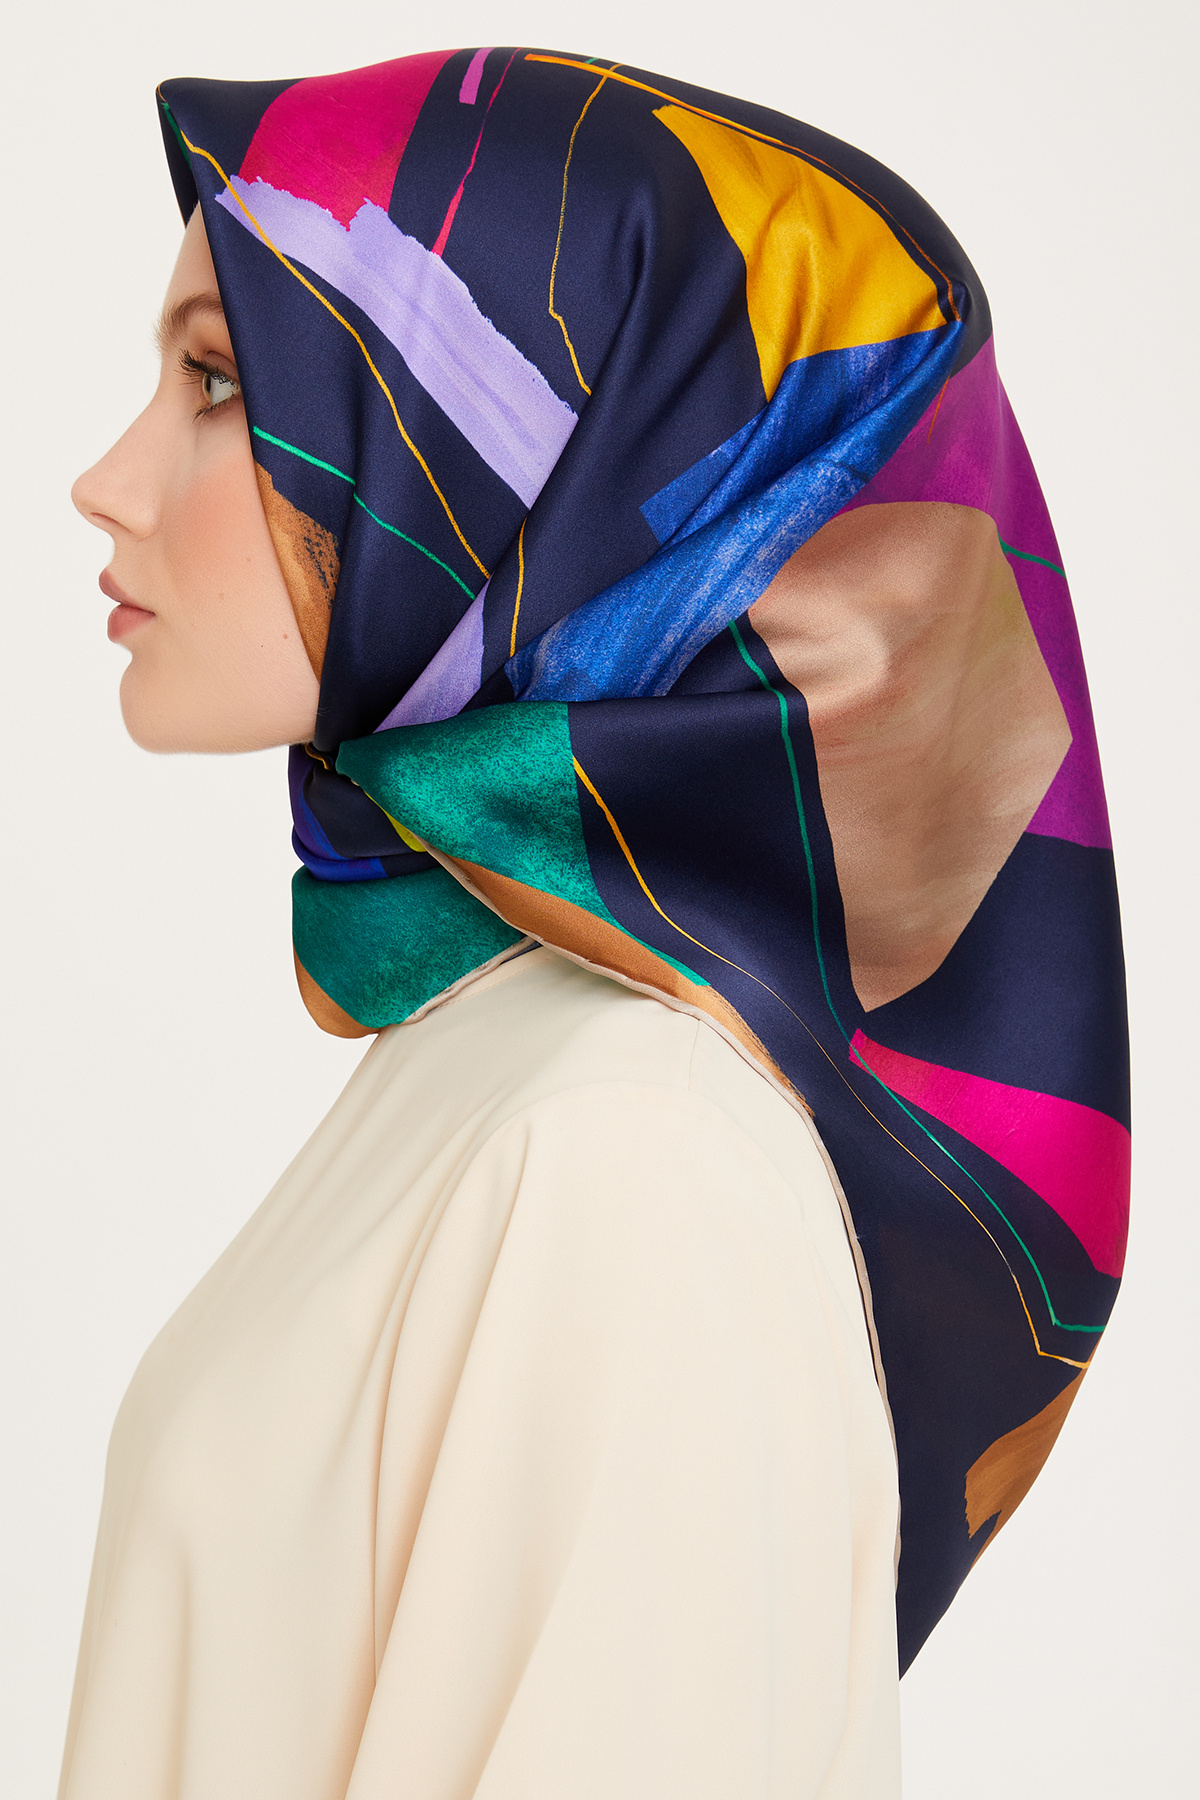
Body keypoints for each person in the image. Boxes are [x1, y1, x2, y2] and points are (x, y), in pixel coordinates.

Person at [62, 46, 1128, 1800]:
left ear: (542, 463)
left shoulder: (634, 1156)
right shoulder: (514, 1061)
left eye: (215, 382)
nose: (105, 481)